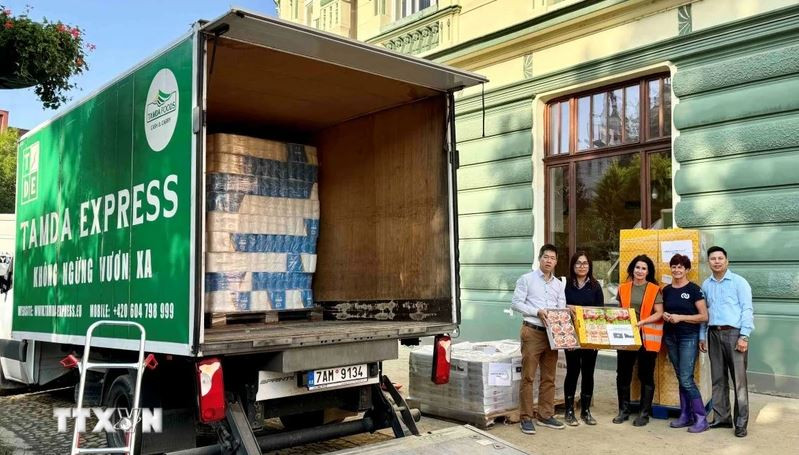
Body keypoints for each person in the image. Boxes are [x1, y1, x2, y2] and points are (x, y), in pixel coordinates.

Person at [511, 244, 567, 435]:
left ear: (556, 261)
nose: (549, 261)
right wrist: (536, 311)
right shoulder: (526, 279)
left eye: (552, 258)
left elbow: (561, 308)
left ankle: (545, 415)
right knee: (528, 376)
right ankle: (526, 418)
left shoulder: (559, 285)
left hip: (552, 335)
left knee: (549, 377)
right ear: (540, 259)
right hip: (532, 332)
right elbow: (516, 303)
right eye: (546, 257)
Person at [700, 246, 754, 438]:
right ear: (709, 263)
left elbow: (747, 310)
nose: (716, 261)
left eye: (720, 258)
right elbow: (704, 314)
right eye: (713, 259)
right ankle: (722, 417)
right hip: (713, 333)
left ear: (727, 260)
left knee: (739, 381)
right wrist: (702, 336)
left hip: (735, 334)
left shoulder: (739, 283)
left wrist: (744, 336)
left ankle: (741, 423)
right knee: (718, 379)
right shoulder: (706, 285)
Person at [612, 254, 663, 427]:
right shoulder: (623, 288)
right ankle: (623, 411)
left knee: (645, 374)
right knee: (623, 374)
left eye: (644, 268)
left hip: (646, 336)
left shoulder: (654, 289)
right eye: (637, 267)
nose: (640, 271)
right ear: (632, 269)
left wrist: (643, 322)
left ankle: (643, 413)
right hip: (626, 335)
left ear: (648, 272)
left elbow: (659, 313)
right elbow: (620, 310)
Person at [662, 254, 709, 433]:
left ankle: (701, 418)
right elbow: (663, 311)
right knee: (681, 376)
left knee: (686, 378)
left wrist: (681, 317)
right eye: (674, 266)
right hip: (670, 337)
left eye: (680, 267)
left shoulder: (694, 290)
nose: (677, 270)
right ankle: (685, 415)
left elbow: (704, 316)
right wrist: (666, 315)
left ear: (687, 269)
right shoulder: (666, 290)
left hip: (688, 337)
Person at [562, 251, 604, 426]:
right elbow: (557, 306)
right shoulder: (564, 285)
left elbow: (600, 312)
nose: (582, 266)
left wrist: (598, 339)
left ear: (590, 266)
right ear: (573, 265)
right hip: (570, 334)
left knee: (588, 372)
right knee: (573, 370)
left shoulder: (595, 286)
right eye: (578, 263)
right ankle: (569, 410)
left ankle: (586, 411)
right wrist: (567, 306)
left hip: (590, 335)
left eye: (585, 263)